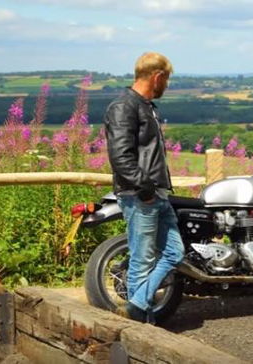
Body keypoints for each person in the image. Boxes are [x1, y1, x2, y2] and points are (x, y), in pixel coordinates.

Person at [104, 52, 184, 323]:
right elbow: (120, 156)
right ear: (157, 76)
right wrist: (145, 189)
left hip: (155, 194)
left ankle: (137, 306)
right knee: (142, 260)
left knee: (175, 252)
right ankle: (137, 326)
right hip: (140, 196)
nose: (167, 86)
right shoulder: (124, 106)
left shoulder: (145, 106)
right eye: (167, 80)